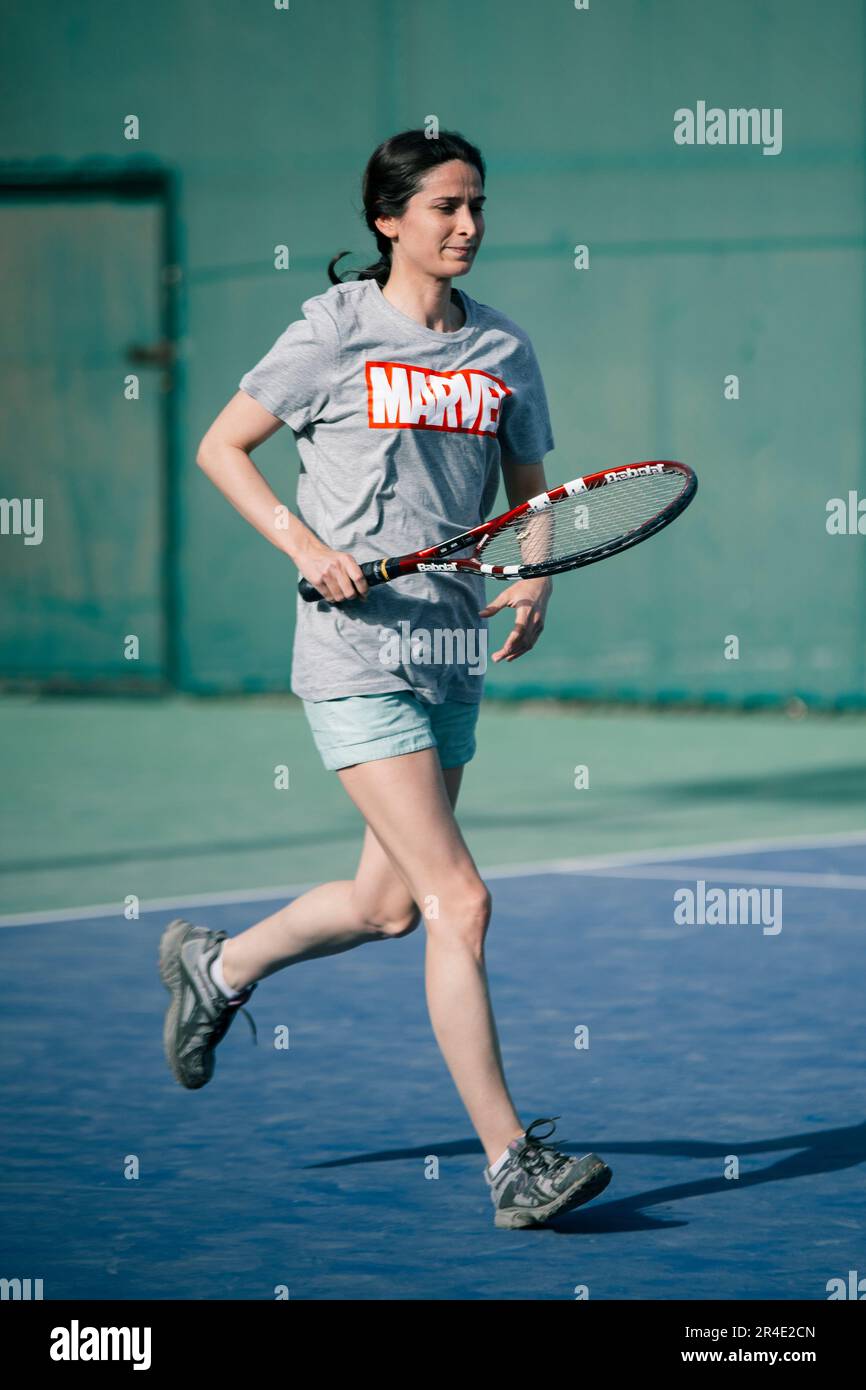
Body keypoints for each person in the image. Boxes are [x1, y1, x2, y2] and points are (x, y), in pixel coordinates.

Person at [159, 128, 611, 1229]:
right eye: (444, 207)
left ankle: (216, 970)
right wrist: (301, 543)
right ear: (387, 217)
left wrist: (535, 578)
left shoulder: (502, 347)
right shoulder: (332, 331)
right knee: (461, 900)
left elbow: (528, 485)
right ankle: (511, 1161)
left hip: (452, 649)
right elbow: (223, 446)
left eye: (476, 206)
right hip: (354, 654)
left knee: (388, 907)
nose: (466, 225)